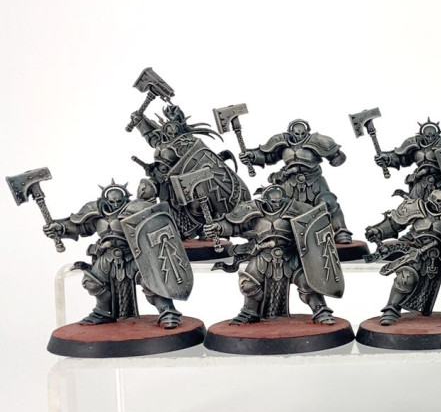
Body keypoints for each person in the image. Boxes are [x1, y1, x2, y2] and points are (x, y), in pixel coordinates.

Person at [43, 182, 184, 327]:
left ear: (125, 199)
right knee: (92, 282)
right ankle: (103, 312)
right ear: (105, 200)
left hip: (134, 255)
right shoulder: (95, 213)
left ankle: (167, 311)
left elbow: (157, 223)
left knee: (152, 281)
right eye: (112, 202)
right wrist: (59, 228)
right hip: (107, 256)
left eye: (119, 201)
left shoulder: (136, 209)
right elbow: (79, 226)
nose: (116, 204)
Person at [204, 185, 339, 325]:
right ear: (265, 200)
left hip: (290, 256)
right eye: (273, 201)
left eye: (280, 201)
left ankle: (320, 310)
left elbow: (315, 222)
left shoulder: (297, 209)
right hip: (263, 256)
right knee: (248, 284)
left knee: (308, 282)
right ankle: (249, 312)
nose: (277, 204)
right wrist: (218, 227)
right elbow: (235, 225)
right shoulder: (251, 210)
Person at [130, 103, 250, 239]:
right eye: (169, 130)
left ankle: (207, 228)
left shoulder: (185, 144)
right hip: (162, 180)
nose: (171, 133)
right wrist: (140, 122)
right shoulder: (163, 142)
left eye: (174, 130)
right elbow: (152, 138)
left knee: (195, 206)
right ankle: (142, 224)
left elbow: (183, 156)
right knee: (145, 189)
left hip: (183, 184)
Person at [365, 189, 441, 326]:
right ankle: (391, 309)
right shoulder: (415, 208)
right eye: (438, 201)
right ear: (430, 200)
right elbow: (394, 224)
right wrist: (378, 231)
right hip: (417, 253)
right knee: (405, 278)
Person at [239, 119, 353, 243]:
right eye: (297, 133)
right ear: (291, 132)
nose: (299, 136)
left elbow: (336, 157)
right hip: (289, 183)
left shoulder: (317, 141)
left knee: (329, 202)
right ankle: (284, 237)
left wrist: (337, 156)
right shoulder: (281, 142)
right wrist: (252, 156)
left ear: (307, 131)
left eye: (302, 134)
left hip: (314, 182)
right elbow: (268, 156)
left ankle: (341, 231)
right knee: (283, 210)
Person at [373, 119, 441, 202]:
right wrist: (387, 158)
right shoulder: (414, 144)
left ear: (437, 134)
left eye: (433, 136)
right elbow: (401, 158)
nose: (430, 139)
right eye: (427, 136)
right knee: (413, 206)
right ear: (422, 135)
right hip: (421, 182)